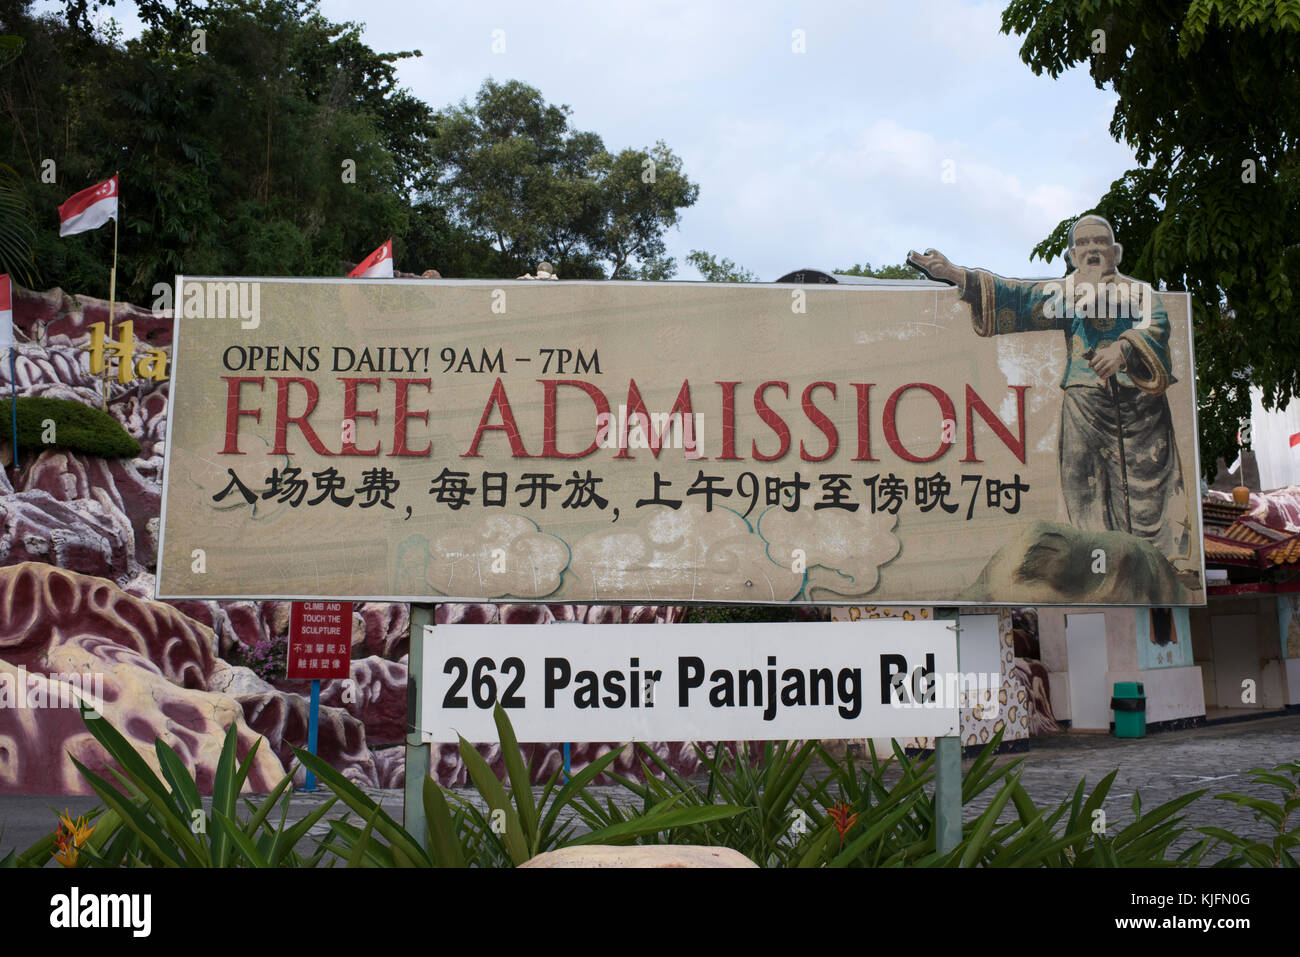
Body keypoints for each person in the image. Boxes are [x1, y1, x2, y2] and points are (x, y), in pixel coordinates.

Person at [907, 215, 1189, 561]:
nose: (1092, 250)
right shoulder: (1066, 295)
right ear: (1072, 255)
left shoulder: (1138, 293)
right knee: (1081, 478)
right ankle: (1099, 559)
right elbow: (1020, 298)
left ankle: (1160, 561)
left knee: (1150, 483)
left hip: (1142, 408)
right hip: (1084, 402)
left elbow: (1157, 325)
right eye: (1083, 244)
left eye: (1100, 242)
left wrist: (1123, 350)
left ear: (1115, 252)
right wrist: (954, 273)